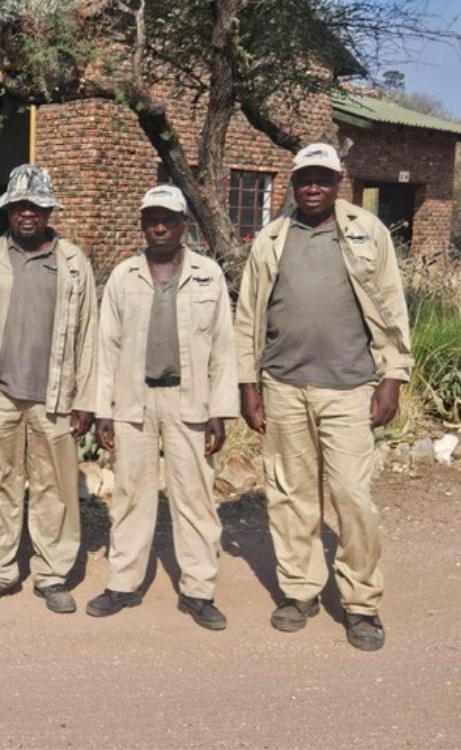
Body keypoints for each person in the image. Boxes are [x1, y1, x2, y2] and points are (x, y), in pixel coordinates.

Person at [234, 143, 412, 651]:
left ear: (339, 181)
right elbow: (248, 315)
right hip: (285, 387)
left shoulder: (365, 231)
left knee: (353, 498)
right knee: (291, 495)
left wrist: (393, 378)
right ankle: (300, 591)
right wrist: (249, 385)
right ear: (293, 183)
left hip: (350, 389)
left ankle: (361, 605)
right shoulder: (271, 238)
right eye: (304, 179)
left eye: (323, 179)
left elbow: (392, 305)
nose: (313, 187)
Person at [87, 185, 238, 629]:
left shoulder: (208, 275)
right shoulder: (123, 277)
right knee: (131, 495)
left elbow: (224, 350)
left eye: (168, 219)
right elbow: (106, 348)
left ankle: (198, 590)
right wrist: (103, 411)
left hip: (188, 402)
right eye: (151, 219)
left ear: (182, 225)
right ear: (142, 224)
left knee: (194, 497)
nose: (159, 227)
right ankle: (123, 583)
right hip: (134, 401)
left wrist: (219, 411)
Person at [0, 164, 97, 615]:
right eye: (19, 206)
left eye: (36, 206)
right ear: (8, 210)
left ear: (49, 210)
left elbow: (87, 335)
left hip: (55, 396)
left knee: (55, 488)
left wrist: (86, 399)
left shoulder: (72, 262)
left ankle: (52, 575)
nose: (27, 214)